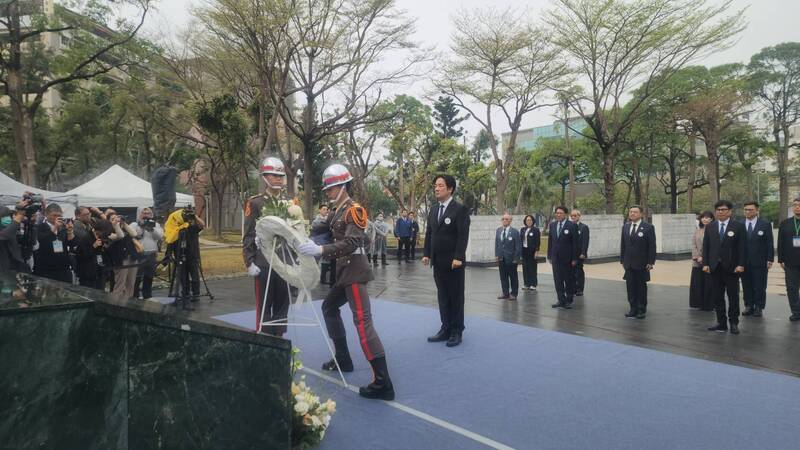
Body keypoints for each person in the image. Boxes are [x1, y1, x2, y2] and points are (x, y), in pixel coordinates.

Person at [297, 163, 395, 401]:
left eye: (331, 188)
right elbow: (325, 233)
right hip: (344, 272)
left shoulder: (354, 210)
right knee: (329, 307)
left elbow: (352, 243)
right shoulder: (337, 211)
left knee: (363, 322)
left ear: (342, 187)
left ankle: (383, 383)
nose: (327, 193)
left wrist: (320, 249)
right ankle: (343, 358)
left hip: (354, 271)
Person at [243, 156, 291, 335]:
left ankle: (279, 343)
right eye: (273, 175)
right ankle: (264, 341)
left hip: (285, 261)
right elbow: (248, 234)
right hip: (263, 261)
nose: (278, 178)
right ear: (264, 177)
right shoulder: (255, 202)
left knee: (282, 306)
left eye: (280, 175)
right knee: (264, 306)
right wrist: (249, 261)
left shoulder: (291, 202)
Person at [423, 174, 471, 346]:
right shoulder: (434, 209)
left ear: (450, 188)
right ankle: (446, 328)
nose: (436, 188)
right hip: (438, 262)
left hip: (453, 263)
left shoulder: (460, 209)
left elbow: (462, 236)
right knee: (442, 296)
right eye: (435, 185)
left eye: (440, 185)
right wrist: (427, 253)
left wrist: (459, 256)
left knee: (455, 297)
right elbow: (430, 233)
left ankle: (457, 330)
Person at [703, 200, 746, 335]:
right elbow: (706, 247)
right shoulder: (711, 226)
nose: (720, 212)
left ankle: (734, 323)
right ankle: (721, 322)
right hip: (715, 267)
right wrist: (705, 263)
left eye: (723, 209)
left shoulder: (738, 226)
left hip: (732, 268)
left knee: (733, 296)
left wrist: (741, 264)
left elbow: (743, 248)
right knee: (717, 296)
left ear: (730, 211)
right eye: (718, 210)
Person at [620, 205, 657, 319]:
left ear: (641, 214)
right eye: (631, 212)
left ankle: (641, 309)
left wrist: (651, 262)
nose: (632, 214)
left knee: (641, 287)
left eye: (635, 212)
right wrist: (622, 259)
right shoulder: (625, 227)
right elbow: (623, 245)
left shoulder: (648, 227)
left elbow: (652, 246)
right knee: (630, 287)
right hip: (629, 263)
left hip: (642, 263)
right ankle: (633, 308)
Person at [741, 201, 774, 317]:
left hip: (760, 261)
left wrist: (770, 259)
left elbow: (769, 242)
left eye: (750, 209)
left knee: (760, 285)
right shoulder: (739, 224)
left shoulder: (764, 224)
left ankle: (759, 306)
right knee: (746, 284)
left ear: (757, 210)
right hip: (743, 261)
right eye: (746, 209)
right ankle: (749, 305)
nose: (748, 212)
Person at [33, 203, 75, 283]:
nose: (57, 218)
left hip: (64, 268)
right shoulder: (40, 227)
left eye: (59, 216)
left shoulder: (63, 228)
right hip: (47, 268)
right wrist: (54, 227)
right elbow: (44, 241)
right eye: (54, 215)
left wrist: (70, 231)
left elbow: (72, 244)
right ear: (46, 214)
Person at [547, 206, 579, 309]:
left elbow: (575, 243)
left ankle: (569, 299)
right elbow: (550, 241)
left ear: (565, 214)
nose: (558, 215)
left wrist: (574, 258)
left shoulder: (572, 225)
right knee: (558, 280)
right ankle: (561, 300)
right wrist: (549, 255)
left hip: (567, 258)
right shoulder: (552, 225)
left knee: (568, 279)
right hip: (555, 258)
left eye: (560, 213)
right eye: (557, 213)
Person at [131, 207, 164, 300]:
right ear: (139, 214)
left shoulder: (155, 224)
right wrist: (141, 227)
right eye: (143, 213)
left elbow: (160, 237)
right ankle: (135, 296)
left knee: (149, 276)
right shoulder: (134, 224)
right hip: (139, 254)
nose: (146, 215)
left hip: (152, 253)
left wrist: (151, 228)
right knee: (136, 277)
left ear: (151, 214)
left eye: (148, 213)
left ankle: (147, 295)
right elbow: (133, 235)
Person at [106, 212, 140, 300]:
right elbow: (120, 236)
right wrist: (115, 225)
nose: (116, 220)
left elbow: (134, 234)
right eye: (112, 219)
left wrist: (124, 223)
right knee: (120, 284)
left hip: (132, 257)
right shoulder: (109, 232)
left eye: (117, 217)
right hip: (120, 260)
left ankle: (128, 302)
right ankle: (115, 303)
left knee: (131, 283)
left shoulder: (125, 229)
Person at [777, 198, 800, 322]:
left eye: (799, 205)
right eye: (795, 205)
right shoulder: (785, 223)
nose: (797, 207)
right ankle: (796, 312)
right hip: (790, 261)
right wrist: (781, 259)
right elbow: (780, 242)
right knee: (791, 288)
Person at [689, 211, 715, 311]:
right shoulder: (698, 231)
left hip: (709, 262)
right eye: (703, 217)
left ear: (712, 219)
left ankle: (709, 304)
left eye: (707, 217)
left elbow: (714, 247)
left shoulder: (715, 231)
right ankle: (698, 303)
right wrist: (697, 257)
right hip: (697, 262)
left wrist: (705, 258)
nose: (704, 219)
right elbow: (693, 245)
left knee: (709, 283)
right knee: (698, 283)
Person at [495, 213, 521, 301]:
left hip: (511, 259)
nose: (504, 220)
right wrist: (497, 255)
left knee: (513, 277)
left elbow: (518, 246)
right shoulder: (498, 230)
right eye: (503, 219)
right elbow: (497, 244)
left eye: (506, 219)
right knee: (503, 276)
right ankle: (505, 293)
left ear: (510, 220)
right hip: (501, 258)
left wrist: (516, 259)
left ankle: (514, 293)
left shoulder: (515, 232)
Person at [0, 197, 30, 272]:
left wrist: (31, 225)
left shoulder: (13, 230)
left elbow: (25, 242)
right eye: (3, 217)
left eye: (8, 216)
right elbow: (4, 235)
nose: (7, 219)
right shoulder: (10, 230)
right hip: (3, 272)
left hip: (16, 268)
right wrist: (20, 214)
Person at [311, 204, 335, 285]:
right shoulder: (316, 220)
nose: (325, 211)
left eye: (326, 209)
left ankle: (323, 279)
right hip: (318, 242)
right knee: (315, 261)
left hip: (327, 242)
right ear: (320, 210)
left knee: (326, 260)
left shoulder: (329, 219)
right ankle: (312, 278)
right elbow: (316, 229)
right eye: (324, 209)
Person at [570, 209, 590, 296]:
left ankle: (579, 289)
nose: (573, 217)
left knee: (579, 271)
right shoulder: (569, 226)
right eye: (572, 216)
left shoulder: (583, 227)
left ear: (579, 216)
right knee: (571, 272)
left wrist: (583, 253)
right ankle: (573, 288)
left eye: (575, 215)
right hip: (570, 254)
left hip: (579, 254)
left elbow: (585, 241)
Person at [520, 214, 540, 291]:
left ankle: (533, 284)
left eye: (530, 220)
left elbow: (538, 241)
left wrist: (537, 251)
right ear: (525, 221)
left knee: (532, 268)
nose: (529, 221)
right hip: (524, 251)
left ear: (533, 221)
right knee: (525, 268)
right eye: (527, 220)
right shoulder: (522, 230)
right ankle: (526, 284)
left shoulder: (536, 230)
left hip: (532, 252)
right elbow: (520, 240)